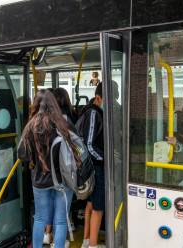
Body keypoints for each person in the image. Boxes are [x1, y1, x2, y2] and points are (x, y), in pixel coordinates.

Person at [18, 89, 79, 248]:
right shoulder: (63, 123)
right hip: (62, 179)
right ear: (54, 104)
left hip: (39, 181)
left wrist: (35, 160)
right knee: (60, 220)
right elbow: (78, 146)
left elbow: (21, 154)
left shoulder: (30, 126)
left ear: (36, 105)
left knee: (39, 218)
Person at [78, 83, 105, 248]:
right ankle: (93, 245)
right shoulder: (94, 113)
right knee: (98, 207)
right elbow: (89, 144)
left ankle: (86, 240)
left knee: (90, 204)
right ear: (98, 98)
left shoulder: (86, 111)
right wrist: (104, 159)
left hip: (88, 166)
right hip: (95, 167)